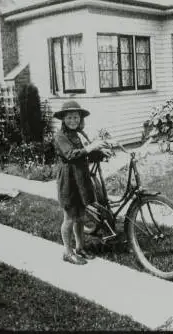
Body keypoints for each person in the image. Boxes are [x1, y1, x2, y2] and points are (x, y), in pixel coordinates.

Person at [53, 101, 112, 265]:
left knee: (80, 217)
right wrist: (91, 147)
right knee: (69, 217)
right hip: (68, 181)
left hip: (81, 179)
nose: (73, 120)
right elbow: (71, 155)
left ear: (80, 119)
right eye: (70, 117)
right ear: (63, 119)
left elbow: (84, 155)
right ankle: (67, 251)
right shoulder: (60, 136)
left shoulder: (78, 134)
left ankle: (80, 247)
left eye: (76, 117)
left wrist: (101, 153)